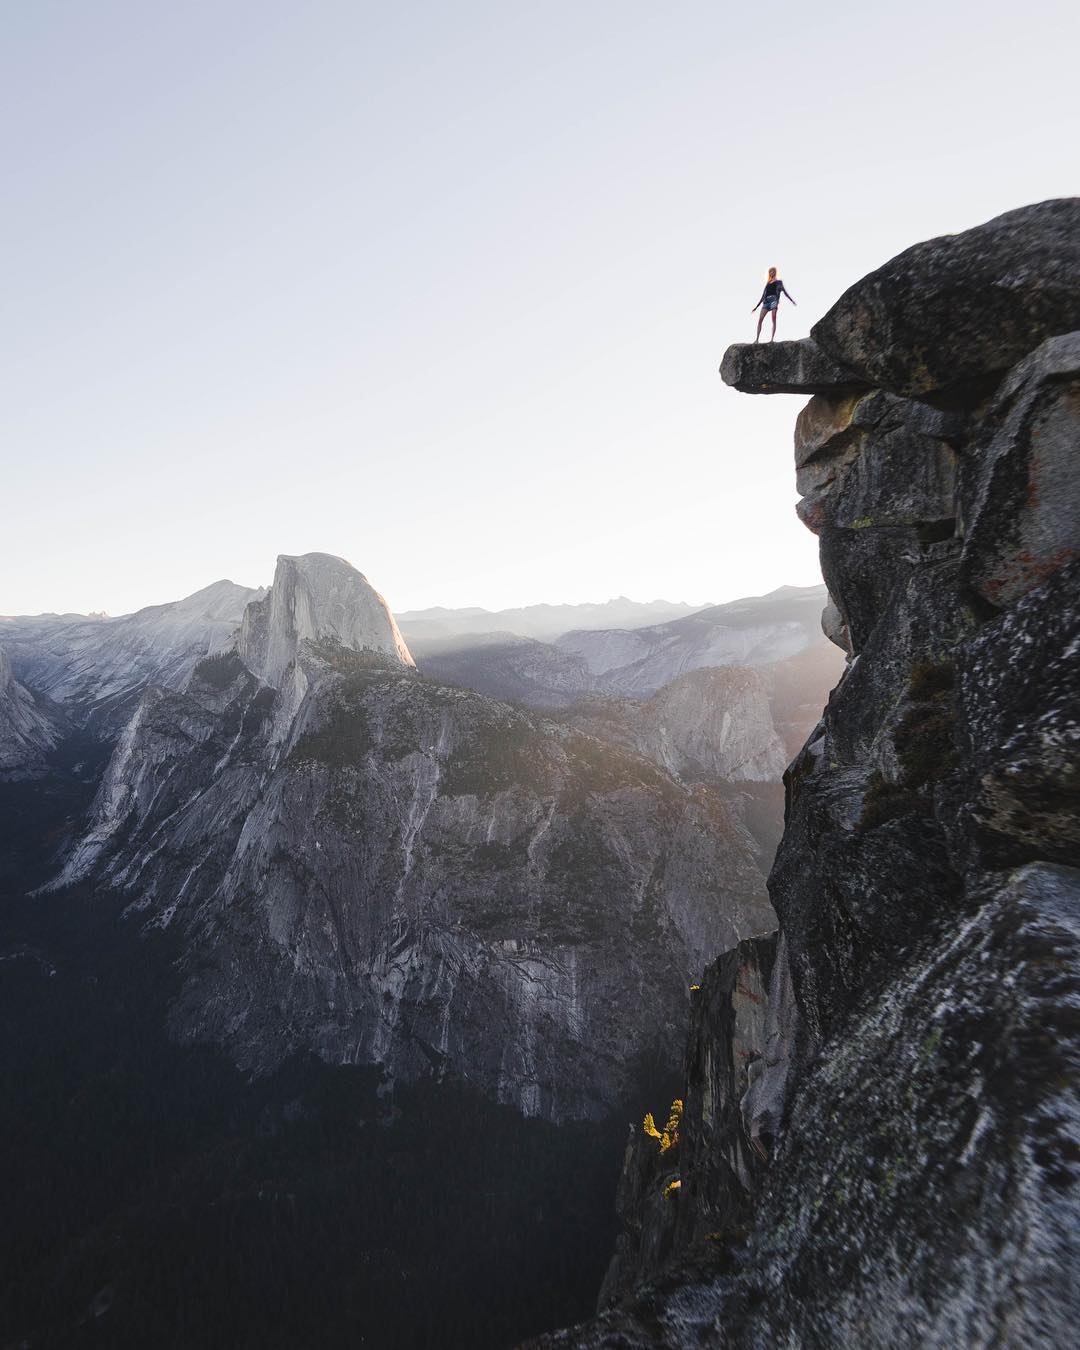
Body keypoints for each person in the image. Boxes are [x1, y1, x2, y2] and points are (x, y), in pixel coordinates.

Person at [752, 267, 796, 342]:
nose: (771, 273)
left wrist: (791, 300)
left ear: (775, 272)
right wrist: (756, 306)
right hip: (766, 302)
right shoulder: (767, 283)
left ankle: (772, 339)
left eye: (772, 271)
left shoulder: (779, 282)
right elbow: (763, 296)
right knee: (760, 319)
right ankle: (757, 339)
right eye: (770, 272)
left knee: (773, 318)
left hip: (774, 300)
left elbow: (785, 292)